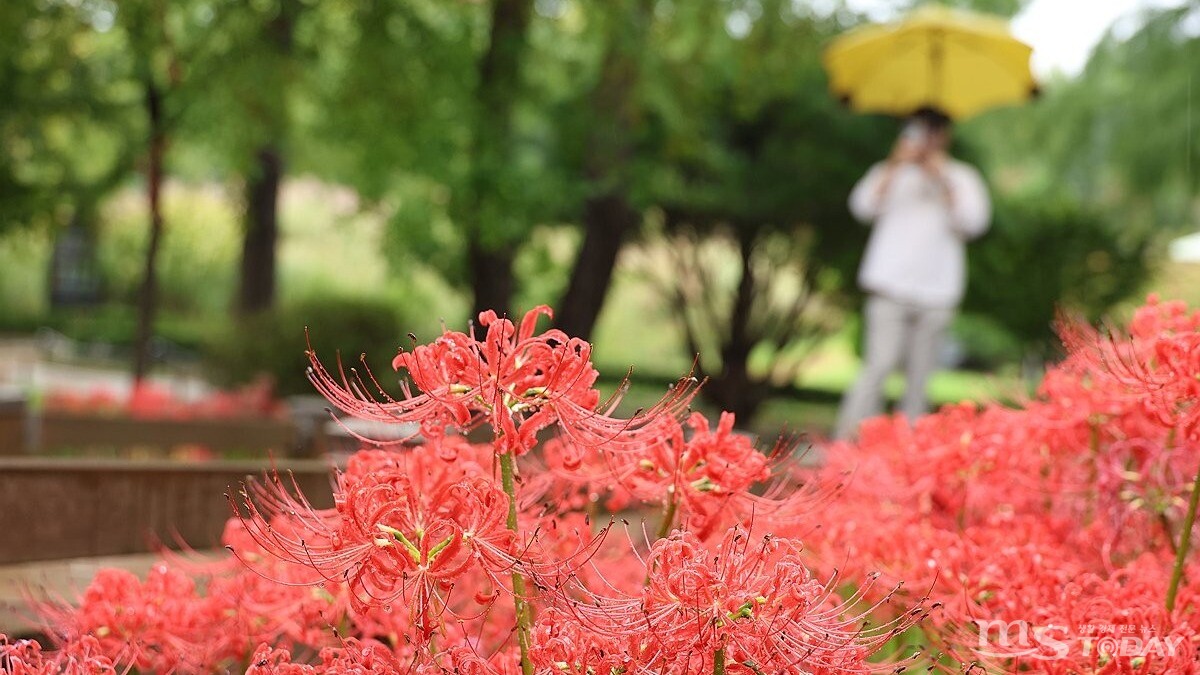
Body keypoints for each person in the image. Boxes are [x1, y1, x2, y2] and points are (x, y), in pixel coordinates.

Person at [834, 107, 991, 440]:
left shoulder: (962, 177)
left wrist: (942, 180)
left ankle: (909, 454)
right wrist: (894, 165)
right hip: (889, 287)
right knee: (877, 367)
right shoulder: (890, 172)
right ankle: (845, 445)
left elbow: (974, 222)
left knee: (920, 378)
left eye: (934, 131)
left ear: (945, 135)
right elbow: (861, 207)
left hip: (937, 292)